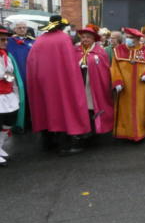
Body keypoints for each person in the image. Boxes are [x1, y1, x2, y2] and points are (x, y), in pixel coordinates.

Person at [27, 16, 91, 155]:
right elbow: (70, 63)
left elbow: (32, 62)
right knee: (63, 109)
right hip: (60, 82)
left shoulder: (40, 40)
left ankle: (48, 142)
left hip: (42, 82)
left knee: (46, 108)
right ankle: (65, 146)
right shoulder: (63, 38)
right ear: (61, 27)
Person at [110, 27, 145, 141]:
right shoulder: (118, 50)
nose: (128, 39)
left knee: (140, 111)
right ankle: (124, 133)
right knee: (125, 111)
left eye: (131, 38)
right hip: (125, 88)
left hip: (141, 88)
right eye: (127, 37)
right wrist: (117, 81)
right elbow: (114, 68)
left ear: (138, 39)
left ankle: (140, 133)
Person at [75, 26, 114, 137]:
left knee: (92, 107)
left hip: (93, 85)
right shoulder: (76, 50)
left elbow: (104, 69)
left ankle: (93, 129)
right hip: (79, 84)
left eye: (88, 37)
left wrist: (91, 66)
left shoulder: (100, 52)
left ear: (93, 39)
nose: (85, 39)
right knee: (80, 107)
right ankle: (82, 129)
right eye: (83, 37)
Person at [0, 26, 24, 166]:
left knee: (9, 121)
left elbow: (9, 75)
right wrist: (7, 76)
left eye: (6, 40)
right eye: (2, 40)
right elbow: (3, 75)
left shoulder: (5, 55)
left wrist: (7, 77)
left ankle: (0, 146)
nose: (5, 42)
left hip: (8, 94)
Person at [7, 21, 34, 131]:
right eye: (19, 27)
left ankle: (30, 123)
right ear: (15, 30)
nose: (22, 29)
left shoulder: (32, 41)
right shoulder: (9, 41)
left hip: (30, 75)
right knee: (17, 100)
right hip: (15, 76)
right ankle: (17, 125)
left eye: (24, 27)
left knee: (30, 99)